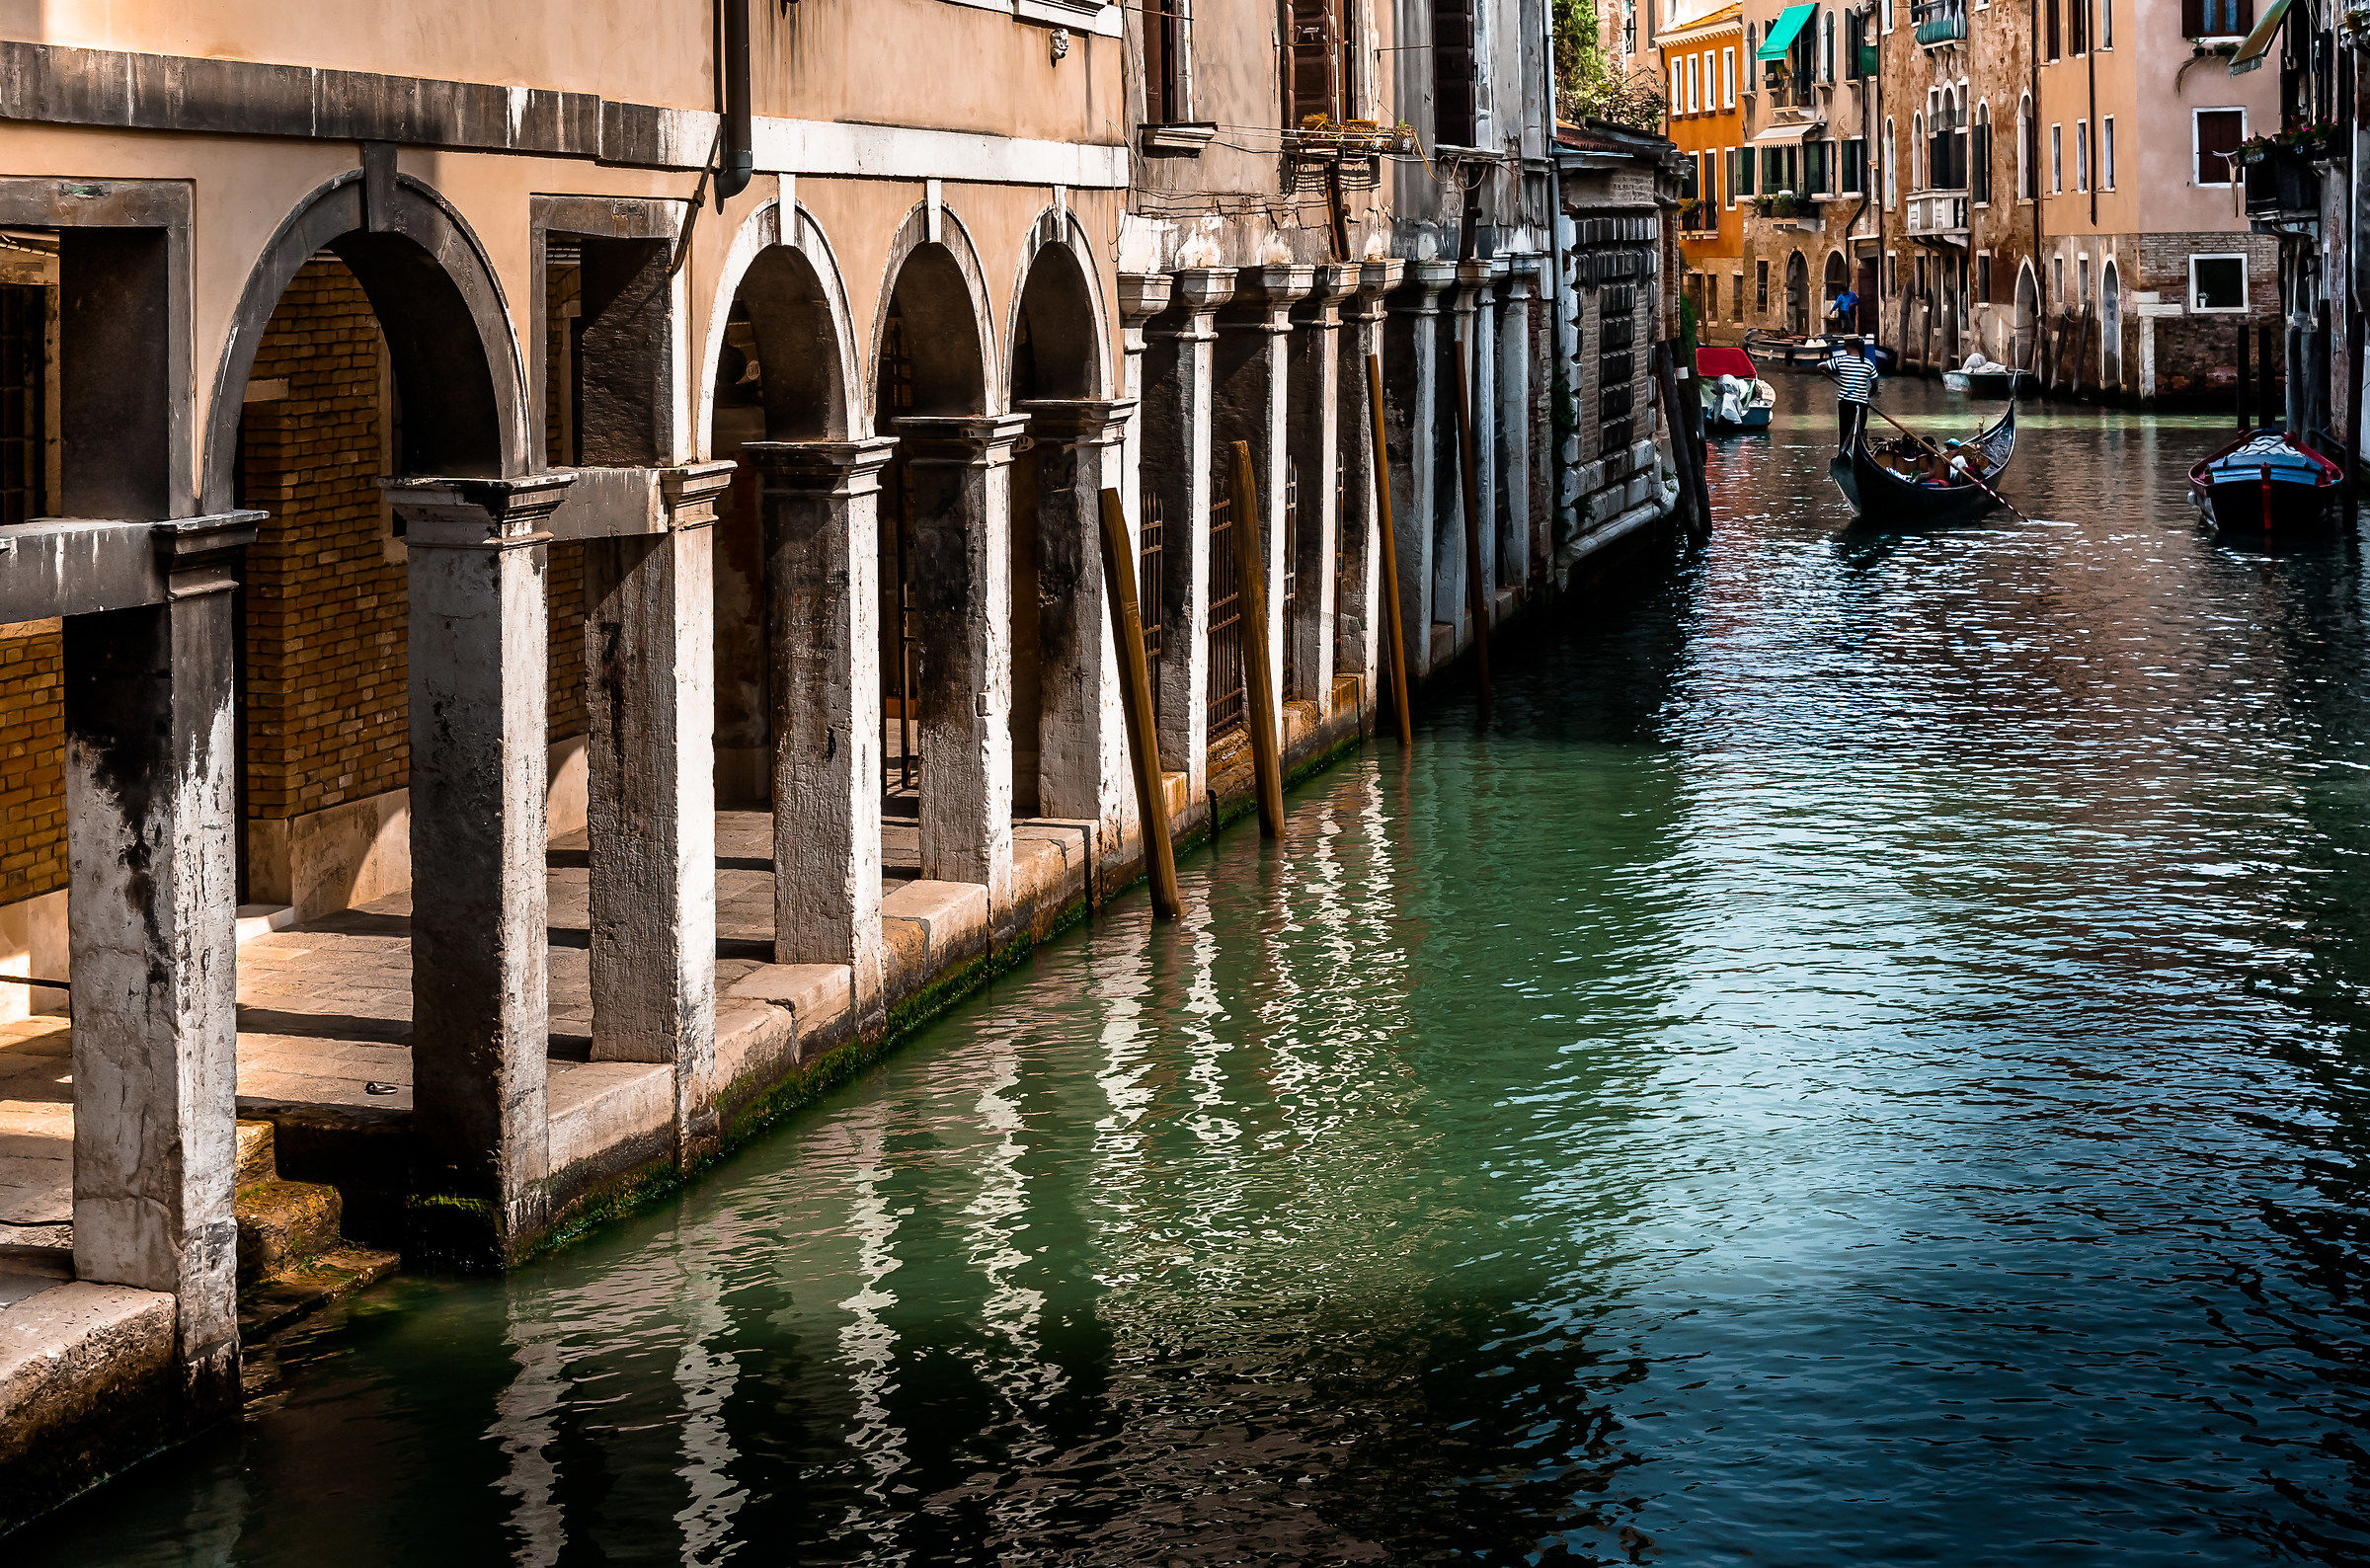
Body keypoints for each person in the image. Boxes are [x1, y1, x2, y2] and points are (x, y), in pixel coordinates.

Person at [1825, 337, 1878, 454]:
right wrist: (1867, 396)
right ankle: (1856, 454)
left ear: (1847, 347)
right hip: (1862, 403)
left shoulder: (1841, 361)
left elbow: (1821, 366)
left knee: (1844, 433)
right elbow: (1875, 387)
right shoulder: (1868, 364)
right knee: (1859, 431)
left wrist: (1824, 370)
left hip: (1845, 403)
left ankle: (1843, 454)